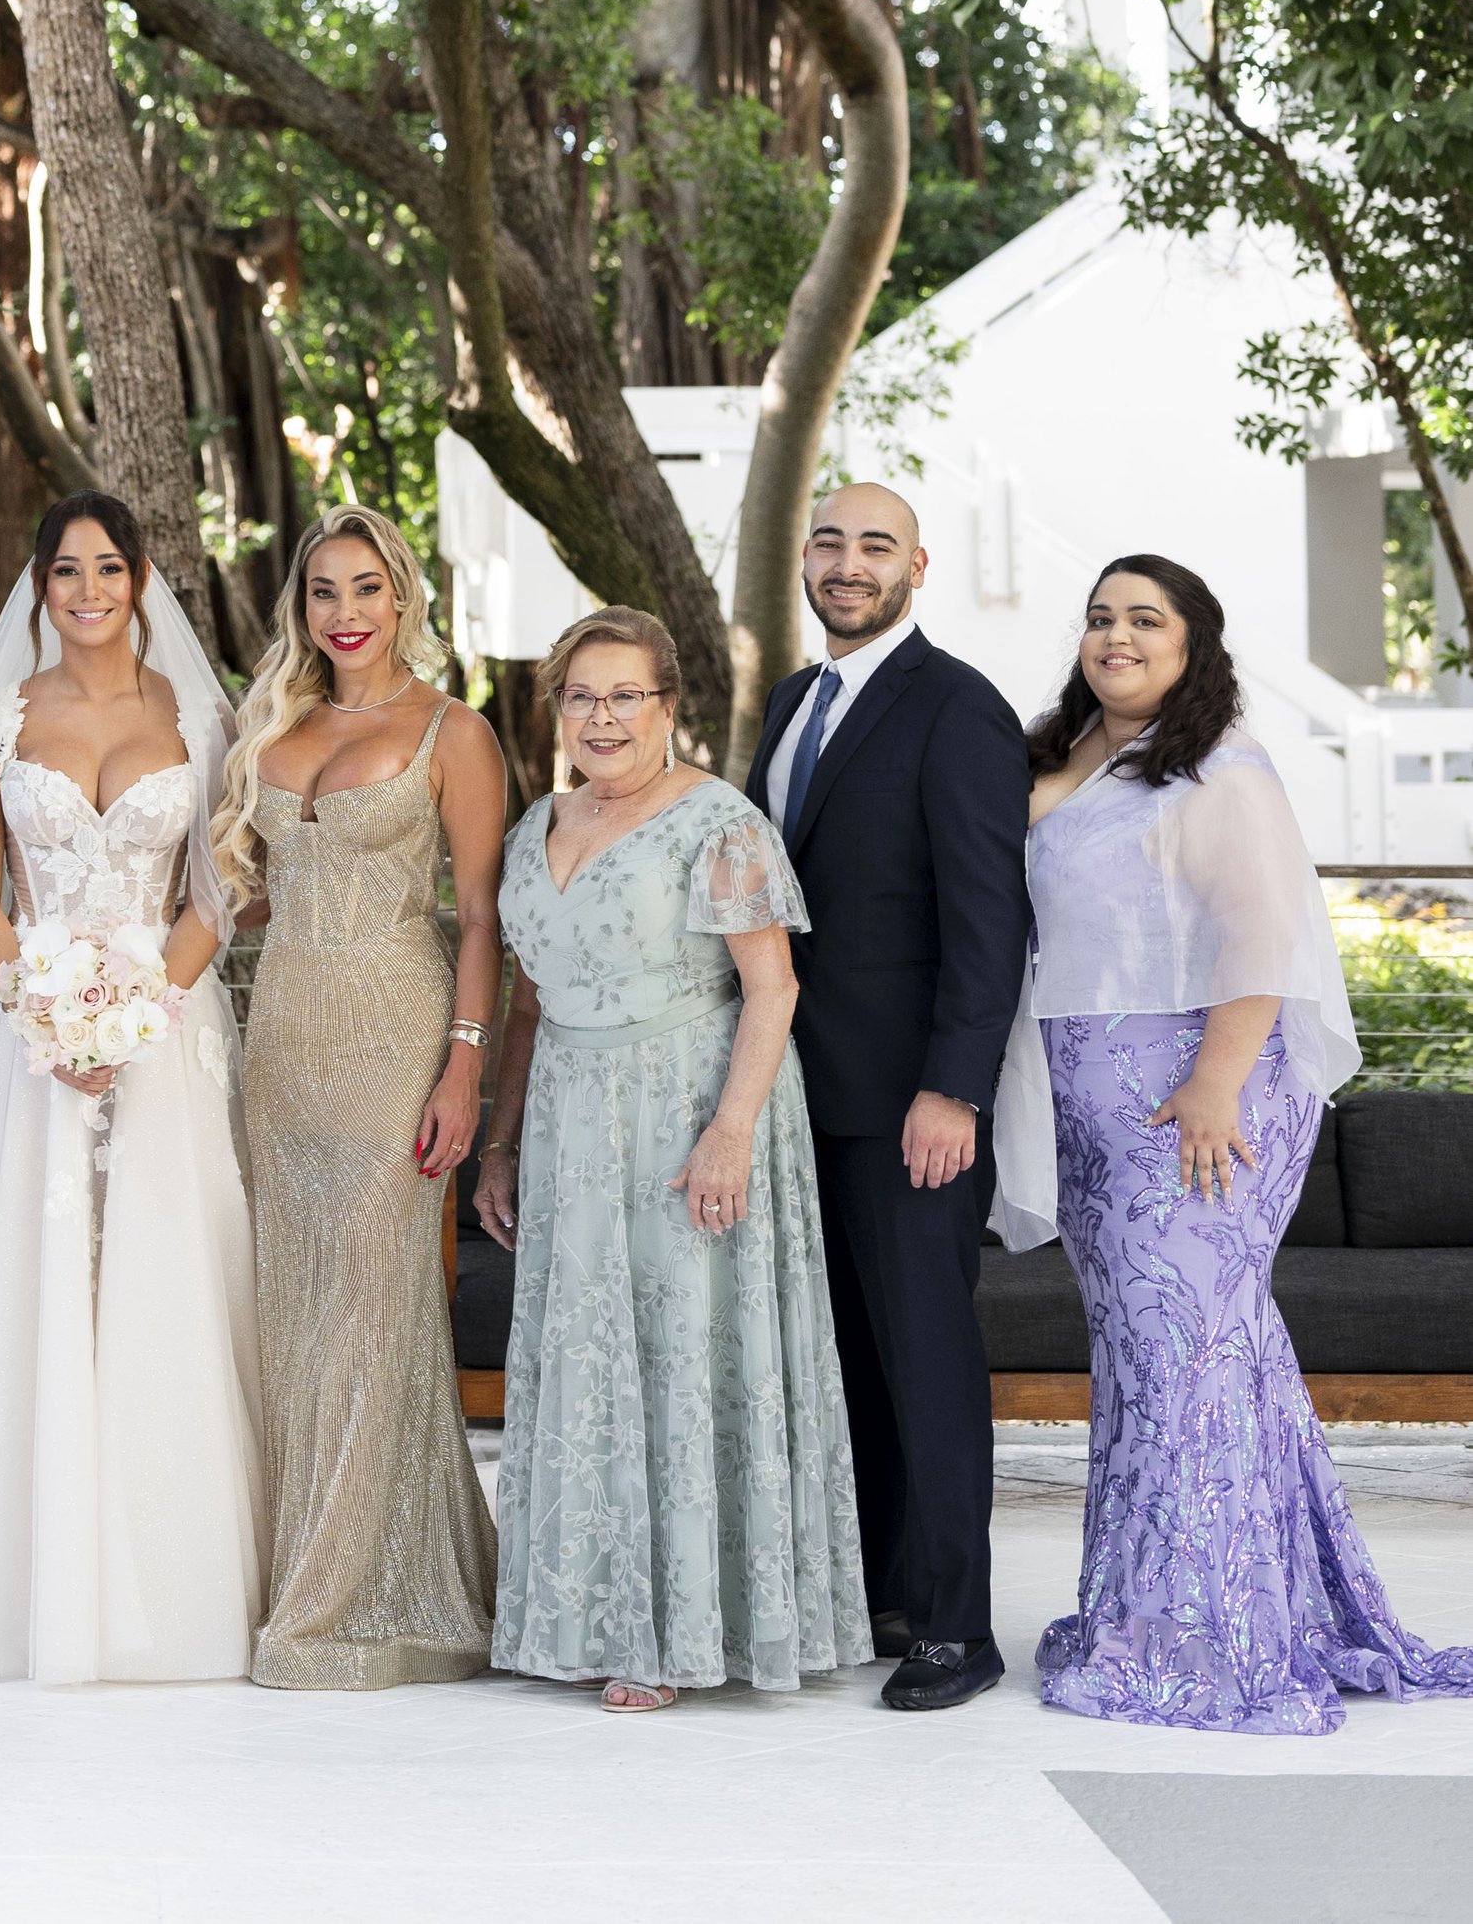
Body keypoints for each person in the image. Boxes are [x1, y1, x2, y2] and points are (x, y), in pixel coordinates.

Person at [997, 553, 1473, 1734]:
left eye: (1143, 619)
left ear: (1193, 643)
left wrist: (1214, 1085)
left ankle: (1200, 1641)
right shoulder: (1060, 755)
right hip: (1088, 1108)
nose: (1115, 635)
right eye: (1101, 617)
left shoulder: (1221, 767)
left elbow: (1263, 931)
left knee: (1184, 1362)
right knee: (1179, 1361)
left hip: (1195, 1101)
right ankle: (1214, 1608)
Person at [0, 492, 263, 1683]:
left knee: (159, 1275)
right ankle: (17, 1570)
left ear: (143, 576)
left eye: (109, 568)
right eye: (66, 572)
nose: (89, 590)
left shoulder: (203, 715)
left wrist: (138, 1011)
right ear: (38, 587)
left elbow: (219, 889)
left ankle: (164, 1575)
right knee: (27, 1283)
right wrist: (41, 1013)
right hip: (25, 1038)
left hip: (164, 1030)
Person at [478, 609, 866, 1708]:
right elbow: (526, 999)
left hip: (685, 1107)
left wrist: (729, 1129)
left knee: (680, 1355)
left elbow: (773, 986)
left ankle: (675, 1632)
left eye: (624, 696)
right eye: (581, 697)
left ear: (667, 704)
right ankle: (586, 1612)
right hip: (568, 1119)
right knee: (590, 1357)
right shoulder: (534, 825)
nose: (602, 718)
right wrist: (499, 1141)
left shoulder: (718, 821)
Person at [742, 482, 1028, 1713]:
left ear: (917, 565)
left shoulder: (957, 708)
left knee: (925, 1358)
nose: (847, 564)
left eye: (873, 545)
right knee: (848, 1362)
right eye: (828, 542)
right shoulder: (792, 702)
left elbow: (989, 919)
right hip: (798, 1096)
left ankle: (958, 1629)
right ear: (804, 560)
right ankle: (885, 1593)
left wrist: (953, 1088)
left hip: (913, 1106)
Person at [216, 507, 502, 1690]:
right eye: (322, 590)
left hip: (397, 1030)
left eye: (366, 588)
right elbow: (241, 898)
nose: (344, 612)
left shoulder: (454, 728)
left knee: (376, 1308)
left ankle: (358, 1592)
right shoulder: (266, 725)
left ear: (402, 599)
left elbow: (481, 915)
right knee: (287, 1306)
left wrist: (466, 1062)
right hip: (279, 1038)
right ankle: (292, 1571)